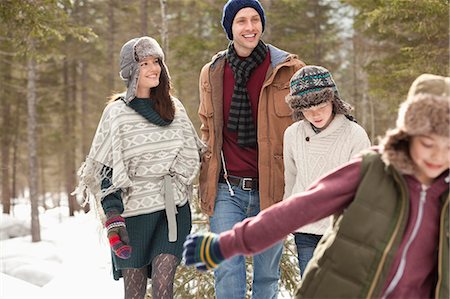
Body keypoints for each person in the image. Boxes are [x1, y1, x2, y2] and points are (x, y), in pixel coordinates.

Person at [184, 73, 450, 299]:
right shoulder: (374, 170)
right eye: (427, 144)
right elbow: (298, 208)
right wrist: (225, 244)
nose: (437, 157)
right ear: (408, 134)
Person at [74, 36, 204, 299]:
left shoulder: (174, 107)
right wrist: (112, 216)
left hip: (172, 210)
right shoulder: (117, 113)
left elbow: (193, 153)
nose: (153, 68)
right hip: (133, 213)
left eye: (156, 61)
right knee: (133, 293)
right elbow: (105, 169)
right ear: (131, 71)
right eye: (144, 63)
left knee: (163, 287)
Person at [196, 0, 305, 297]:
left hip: (272, 190)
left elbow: (309, 124)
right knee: (227, 269)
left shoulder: (289, 69)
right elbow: (207, 126)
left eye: (255, 19)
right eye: (241, 21)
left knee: (266, 276)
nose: (249, 27)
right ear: (230, 28)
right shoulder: (213, 71)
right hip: (226, 190)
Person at [283, 65, 371, 277]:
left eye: (321, 106)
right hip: (305, 226)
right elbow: (291, 177)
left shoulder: (354, 134)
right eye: (307, 109)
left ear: (333, 100)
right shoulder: (292, 134)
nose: (315, 114)